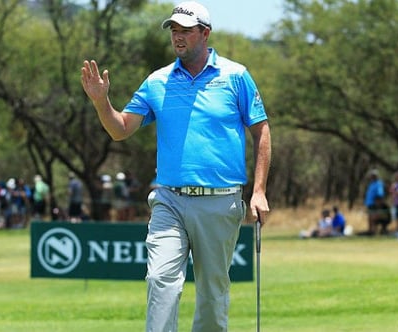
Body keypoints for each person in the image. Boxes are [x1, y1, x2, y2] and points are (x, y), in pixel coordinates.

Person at [80, 2, 271, 330]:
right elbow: (120, 129)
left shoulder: (236, 76)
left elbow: (262, 131)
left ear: (205, 33)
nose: (177, 37)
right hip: (169, 200)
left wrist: (259, 191)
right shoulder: (157, 82)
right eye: (174, 30)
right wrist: (101, 102)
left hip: (220, 200)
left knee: (212, 294)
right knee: (160, 279)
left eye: (185, 30)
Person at [362, 169, 386, 235]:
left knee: (374, 219)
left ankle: (374, 232)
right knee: (370, 218)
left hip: (374, 204)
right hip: (370, 204)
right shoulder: (371, 184)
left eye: (372, 176)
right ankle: (371, 232)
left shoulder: (378, 184)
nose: (371, 177)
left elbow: (379, 194)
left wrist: (378, 204)